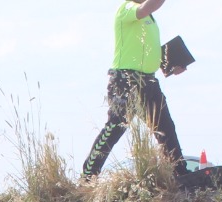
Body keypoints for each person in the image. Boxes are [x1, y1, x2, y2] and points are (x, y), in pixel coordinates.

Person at [80, 0, 186, 181]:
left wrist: (171, 65)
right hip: (126, 80)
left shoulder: (150, 19)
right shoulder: (127, 8)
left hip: (149, 81)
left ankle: (180, 173)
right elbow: (146, 8)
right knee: (116, 126)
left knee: (165, 127)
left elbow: (147, 49)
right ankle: (88, 175)